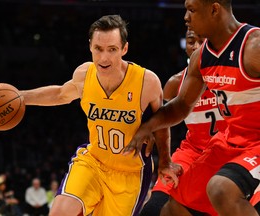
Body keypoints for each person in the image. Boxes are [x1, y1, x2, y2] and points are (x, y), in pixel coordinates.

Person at [20, 15, 175, 216]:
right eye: (98, 49)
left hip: (130, 173)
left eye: (112, 49)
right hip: (93, 161)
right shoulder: (85, 74)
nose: (104, 58)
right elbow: (60, 94)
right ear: (90, 47)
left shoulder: (147, 82)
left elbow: (162, 122)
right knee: (60, 212)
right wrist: (20, 96)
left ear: (124, 49)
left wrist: (165, 160)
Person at [123, 0, 260, 215]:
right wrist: (147, 126)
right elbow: (181, 106)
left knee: (222, 189)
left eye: (191, 10)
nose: (186, 17)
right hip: (230, 142)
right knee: (174, 206)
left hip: (257, 143)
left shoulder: (254, 46)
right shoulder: (201, 58)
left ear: (214, 9)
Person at [140, 30, 227, 216]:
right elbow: (161, 118)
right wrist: (150, 129)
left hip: (228, 153)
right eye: (191, 41)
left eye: (202, 41)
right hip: (192, 152)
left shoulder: (231, 76)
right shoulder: (175, 83)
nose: (196, 46)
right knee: (153, 210)